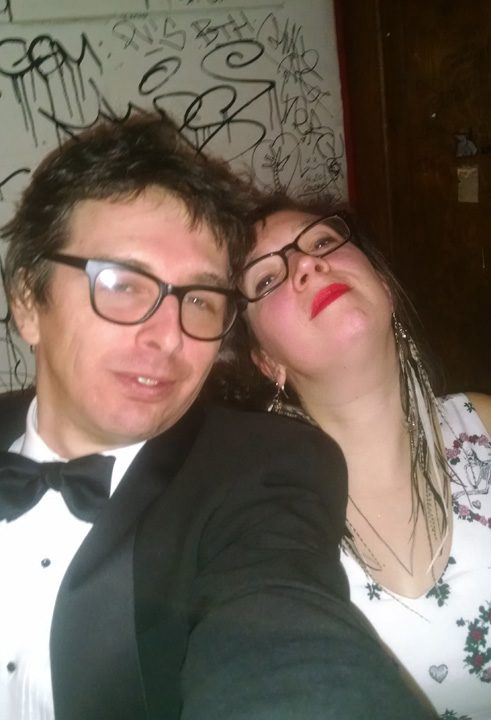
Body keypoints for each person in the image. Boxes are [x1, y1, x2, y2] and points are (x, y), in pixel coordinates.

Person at [0, 114, 437, 720]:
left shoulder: (260, 472)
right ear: (28, 301)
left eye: (200, 300)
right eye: (123, 283)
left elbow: (285, 643)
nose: (168, 336)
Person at [218, 192, 491, 720]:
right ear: (267, 361)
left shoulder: (485, 424)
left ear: (383, 285)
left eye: (322, 242)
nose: (307, 264)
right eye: (268, 279)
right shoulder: (262, 530)